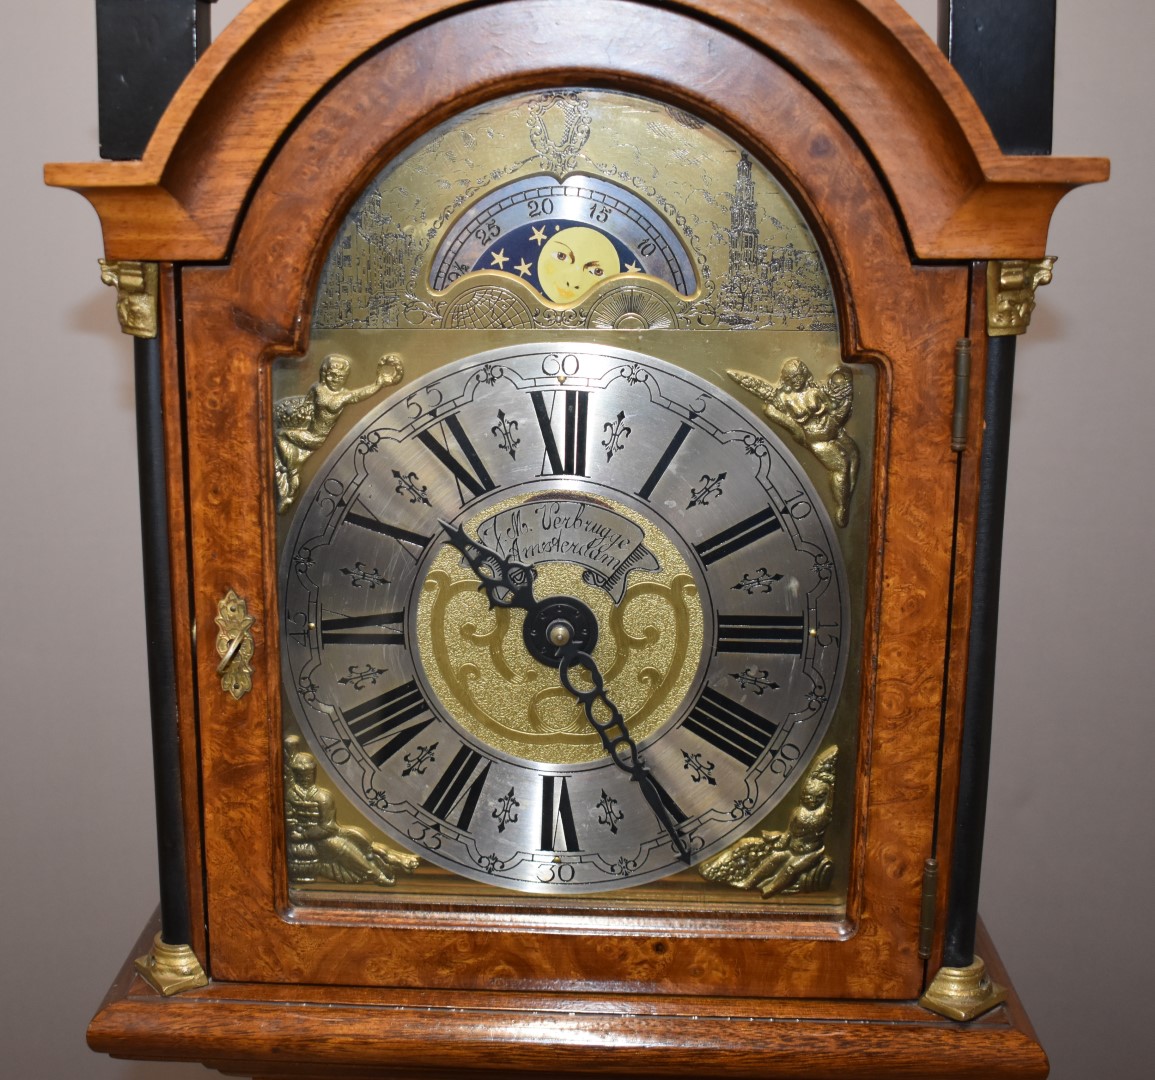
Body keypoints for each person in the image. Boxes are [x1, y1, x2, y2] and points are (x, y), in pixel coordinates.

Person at [274, 353, 403, 511]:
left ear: (345, 377)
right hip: (307, 432)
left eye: (340, 376)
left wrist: (378, 384)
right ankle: (291, 480)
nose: (335, 379)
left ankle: (292, 471)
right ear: (325, 374)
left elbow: (360, 394)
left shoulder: (343, 397)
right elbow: (306, 404)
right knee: (282, 436)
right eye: (332, 375)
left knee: (281, 435)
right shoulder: (317, 388)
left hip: (317, 438)